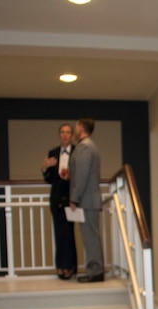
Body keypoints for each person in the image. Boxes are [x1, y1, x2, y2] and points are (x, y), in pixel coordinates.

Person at [69, 117, 104, 283]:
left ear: (81, 128)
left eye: (76, 127)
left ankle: (95, 271)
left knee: (90, 237)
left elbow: (81, 176)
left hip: (87, 201)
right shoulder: (90, 147)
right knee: (92, 236)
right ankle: (95, 270)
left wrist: (74, 198)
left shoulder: (84, 148)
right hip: (90, 200)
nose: (75, 131)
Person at [41, 123, 77, 280]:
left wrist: (71, 176)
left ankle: (70, 266)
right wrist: (45, 167)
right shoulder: (53, 153)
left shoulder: (77, 152)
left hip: (71, 197)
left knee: (68, 232)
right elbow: (48, 178)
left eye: (68, 132)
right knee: (59, 232)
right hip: (56, 197)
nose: (65, 135)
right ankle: (60, 266)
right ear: (59, 135)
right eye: (62, 132)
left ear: (72, 135)